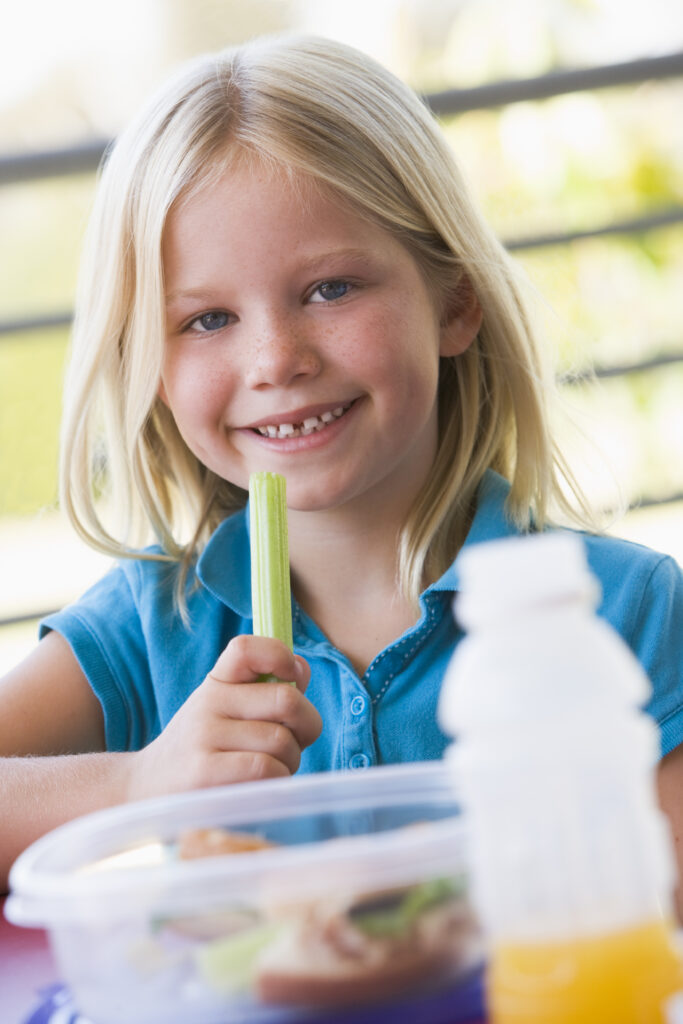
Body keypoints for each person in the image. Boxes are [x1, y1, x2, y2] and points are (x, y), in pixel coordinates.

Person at [1, 34, 682, 904]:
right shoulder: (155, 626)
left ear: (455, 301)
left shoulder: (624, 612)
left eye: (330, 290)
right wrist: (135, 786)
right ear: (148, 367)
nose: (274, 360)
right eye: (206, 319)